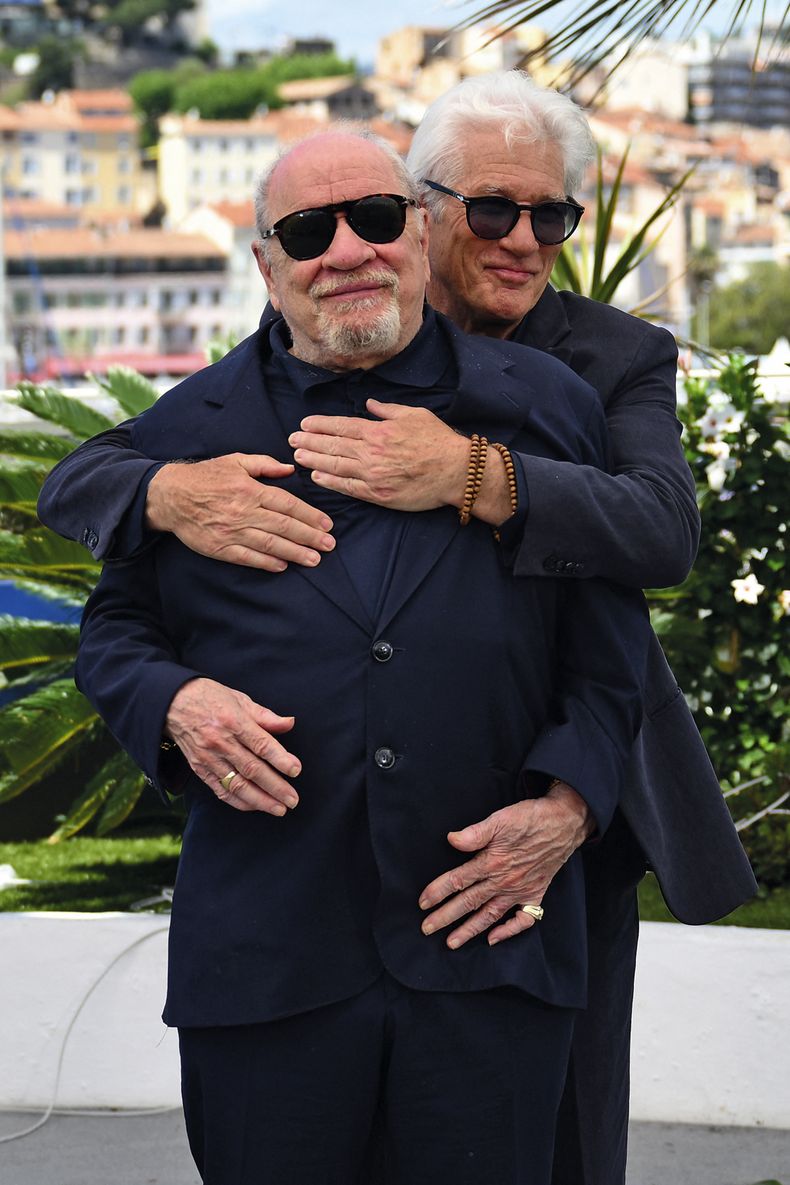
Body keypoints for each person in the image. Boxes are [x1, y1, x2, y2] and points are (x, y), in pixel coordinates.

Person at [37, 75, 757, 1184]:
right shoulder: (199, 425)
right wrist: (171, 683)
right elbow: (111, 609)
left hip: (498, 930)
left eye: (373, 220)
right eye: (310, 232)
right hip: (272, 954)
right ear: (270, 267)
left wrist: (567, 795)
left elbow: (625, 604)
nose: (350, 251)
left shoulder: (566, 396)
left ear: (409, 233)